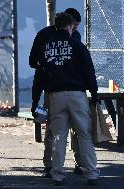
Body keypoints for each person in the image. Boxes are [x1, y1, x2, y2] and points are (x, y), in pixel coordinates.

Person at [39, 12, 100, 186]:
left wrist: (42, 98)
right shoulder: (77, 45)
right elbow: (89, 70)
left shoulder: (47, 47)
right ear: (69, 26)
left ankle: (57, 174)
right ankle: (91, 173)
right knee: (83, 134)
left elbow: (41, 75)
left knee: (59, 136)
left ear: (55, 26)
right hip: (77, 95)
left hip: (55, 96)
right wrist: (94, 94)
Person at [29, 8, 84, 178]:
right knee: (60, 129)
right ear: (66, 24)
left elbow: (34, 63)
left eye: (76, 26)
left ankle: (71, 164)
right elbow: (33, 61)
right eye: (73, 25)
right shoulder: (47, 35)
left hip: (58, 88)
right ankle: (52, 165)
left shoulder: (74, 37)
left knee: (62, 129)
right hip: (56, 89)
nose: (75, 29)